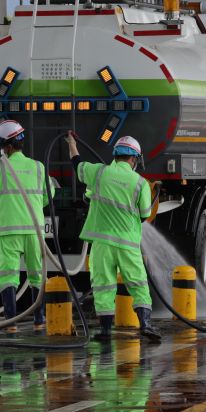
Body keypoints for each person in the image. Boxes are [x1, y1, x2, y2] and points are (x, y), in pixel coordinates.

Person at [69, 133, 157, 341]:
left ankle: (106, 331)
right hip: (128, 244)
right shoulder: (140, 183)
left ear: (116, 155)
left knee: (103, 285)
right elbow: (145, 214)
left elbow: (78, 165)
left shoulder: (99, 173)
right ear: (134, 159)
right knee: (138, 284)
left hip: (102, 243)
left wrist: (72, 143)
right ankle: (145, 324)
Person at [0, 120, 49, 330]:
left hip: (9, 230)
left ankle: (11, 322)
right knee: (36, 274)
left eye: (3, 145)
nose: (2, 149)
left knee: (8, 275)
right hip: (34, 230)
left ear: (9, 146)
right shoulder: (38, 167)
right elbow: (49, 196)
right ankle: (39, 320)